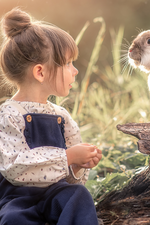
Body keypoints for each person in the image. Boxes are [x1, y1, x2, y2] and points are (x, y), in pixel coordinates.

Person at [0, 7, 102, 225]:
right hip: (19, 197)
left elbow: (70, 180)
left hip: (56, 193)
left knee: (78, 196)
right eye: (67, 63)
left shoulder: (62, 116)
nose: (74, 71)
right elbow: (13, 168)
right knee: (12, 218)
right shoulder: (9, 114)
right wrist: (68, 157)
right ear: (40, 72)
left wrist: (78, 166)